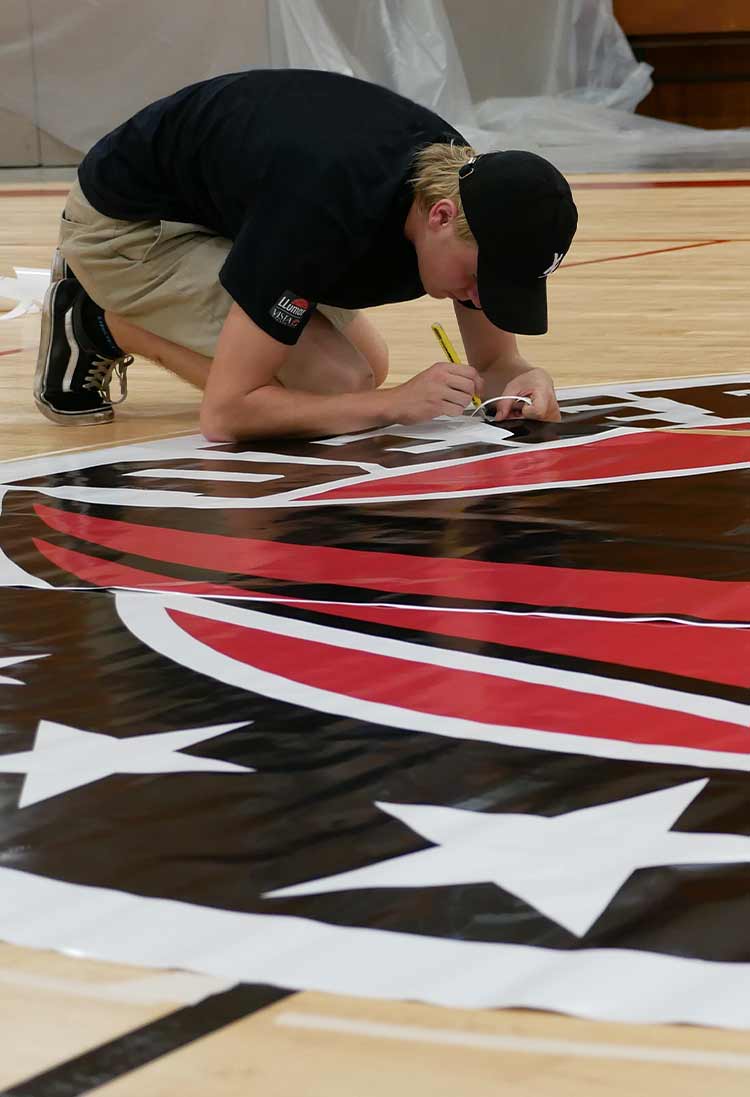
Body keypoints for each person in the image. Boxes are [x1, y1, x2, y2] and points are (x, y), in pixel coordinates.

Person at [34, 69, 577, 440]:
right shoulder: (326, 206)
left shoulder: (468, 195)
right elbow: (225, 415)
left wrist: (528, 381)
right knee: (339, 383)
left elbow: (495, 362)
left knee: (366, 367)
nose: (482, 298)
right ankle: (97, 319)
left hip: (237, 213)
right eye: (484, 279)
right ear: (439, 217)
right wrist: (394, 404)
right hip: (132, 228)